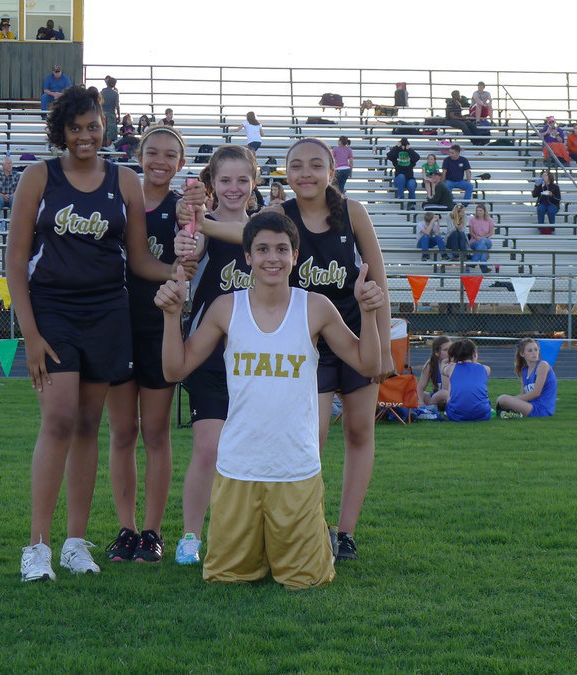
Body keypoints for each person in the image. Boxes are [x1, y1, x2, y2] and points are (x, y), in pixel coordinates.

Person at [156, 211, 383, 589]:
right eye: (261, 249)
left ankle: (312, 537)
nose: (272, 258)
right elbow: (174, 371)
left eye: (281, 249)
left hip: (295, 469)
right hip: (237, 470)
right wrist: (171, 315)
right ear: (247, 256)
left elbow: (368, 363)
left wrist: (369, 311)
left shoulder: (315, 307)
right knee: (227, 577)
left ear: (295, 255)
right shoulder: (226, 308)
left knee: (306, 580)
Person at [9, 85, 177, 582]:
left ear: (106, 126)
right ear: (60, 130)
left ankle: (74, 543)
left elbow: (140, 259)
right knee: (58, 421)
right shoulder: (39, 177)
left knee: (88, 427)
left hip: (109, 312)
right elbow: (16, 261)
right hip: (54, 312)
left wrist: (179, 271)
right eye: (76, 127)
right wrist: (30, 333)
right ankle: (37, 544)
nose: (85, 135)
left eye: (93, 126)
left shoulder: (124, 181)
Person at [278, 137, 393, 561]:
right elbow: (242, 240)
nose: (305, 173)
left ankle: (345, 532)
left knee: (360, 431)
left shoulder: (353, 213)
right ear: (286, 173)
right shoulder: (278, 216)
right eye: (295, 165)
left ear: (331, 170)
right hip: (308, 346)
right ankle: (312, 525)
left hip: (357, 339)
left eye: (314, 165)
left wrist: (382, 350)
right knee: (313, 438)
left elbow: (378, 282)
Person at [166, 145, 259, 566]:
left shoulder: (267, 231)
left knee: (255, 449)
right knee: (207, 447)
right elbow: (189, 249)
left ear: (254, 183)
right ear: (212, 185)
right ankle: (190, 535)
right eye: (225, 180)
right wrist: (186, 238)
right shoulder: (202, 226)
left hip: (260, 357)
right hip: (209, 353)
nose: (234, 188)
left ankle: (249, 531)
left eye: (242, 180)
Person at [104, 126, 192, 564]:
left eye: (170, 154)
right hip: (116, 327)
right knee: (122, 431)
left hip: (160, 330)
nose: (160, 160)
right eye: (152, 151)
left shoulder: (183, 210)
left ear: (180, 162)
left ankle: (153, 531)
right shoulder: (116, 199)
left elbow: (188, 265)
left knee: (156, 433)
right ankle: (126, 528)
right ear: (139, 155)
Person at [495, 338, 557, 418]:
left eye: (536, 349)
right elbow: (523, 394)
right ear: (522, 354)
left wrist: (513, 400)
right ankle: (511, 414)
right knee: (501, 400)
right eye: (530, 351)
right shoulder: (524, 370)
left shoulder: (542, 365)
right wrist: (512, 401)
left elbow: (536, 393)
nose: (534, 353)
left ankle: (510, 413)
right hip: (529, 405)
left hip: (541, 409)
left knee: (503, 399)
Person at [440, 339, 491, 422]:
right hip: (482, 415)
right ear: (474, 354)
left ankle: (454, 405)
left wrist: (445, 361)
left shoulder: (451, 368)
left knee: (451, 382)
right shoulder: (486, 369)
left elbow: (443, 371)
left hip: (456, 415)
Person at [417, 335, 452, 410]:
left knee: (443, 393)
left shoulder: (455, 363)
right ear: (436, 352)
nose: (450, 352)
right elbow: (420, 388)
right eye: (446, 350)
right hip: (436, 397)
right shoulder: (430, 364)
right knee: (418, 394)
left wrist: (445, 364)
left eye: (451, 349)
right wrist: (420, 402)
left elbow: (447, 390)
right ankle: (430, 406)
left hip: (450, 397)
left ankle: (430, 407)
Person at [386, 138, 420, 207]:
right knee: (401, 176)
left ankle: (412, 204)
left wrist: (409, 150)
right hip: (399, 180)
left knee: (412, 184)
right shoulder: (396, 152)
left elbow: (417, 157)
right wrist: (396, 147)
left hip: (409, 178)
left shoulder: (410, 153)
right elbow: (389, 155)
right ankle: (401, 197)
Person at [468, 203, 496, 273]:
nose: (479, 212)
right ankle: (484, 268)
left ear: (484, 211)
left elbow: (491, 232)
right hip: (474, 241)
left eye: (480, 210)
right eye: (477, 210)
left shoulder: (490, 220)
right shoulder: (472, 220)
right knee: (483, 248)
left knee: (483, 241)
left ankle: (474, 261)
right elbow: (471, 232)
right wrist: (477, 237)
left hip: (487, 241)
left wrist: (482, 238)